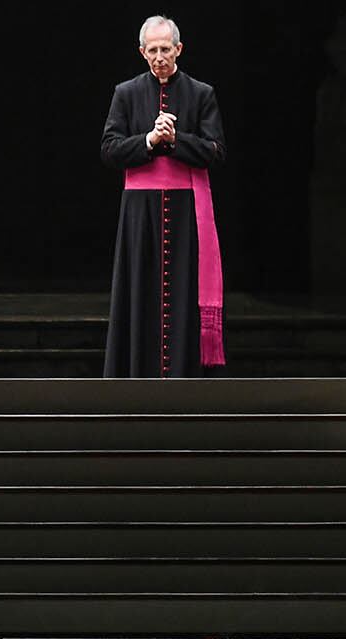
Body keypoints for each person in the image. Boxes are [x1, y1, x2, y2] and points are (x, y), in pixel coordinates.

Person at [102, 15, 226, 378]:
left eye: (165, 49)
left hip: (188, 213)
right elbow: (109, 150)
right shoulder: (125, 93)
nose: (159, 57)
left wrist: (176, 140)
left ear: (179, 49)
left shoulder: (202, 94)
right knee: (139, 297)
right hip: (140, 215)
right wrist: (149, 141)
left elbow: (217, 151)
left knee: (184, 298)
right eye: (152, 50)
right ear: (142, 52)